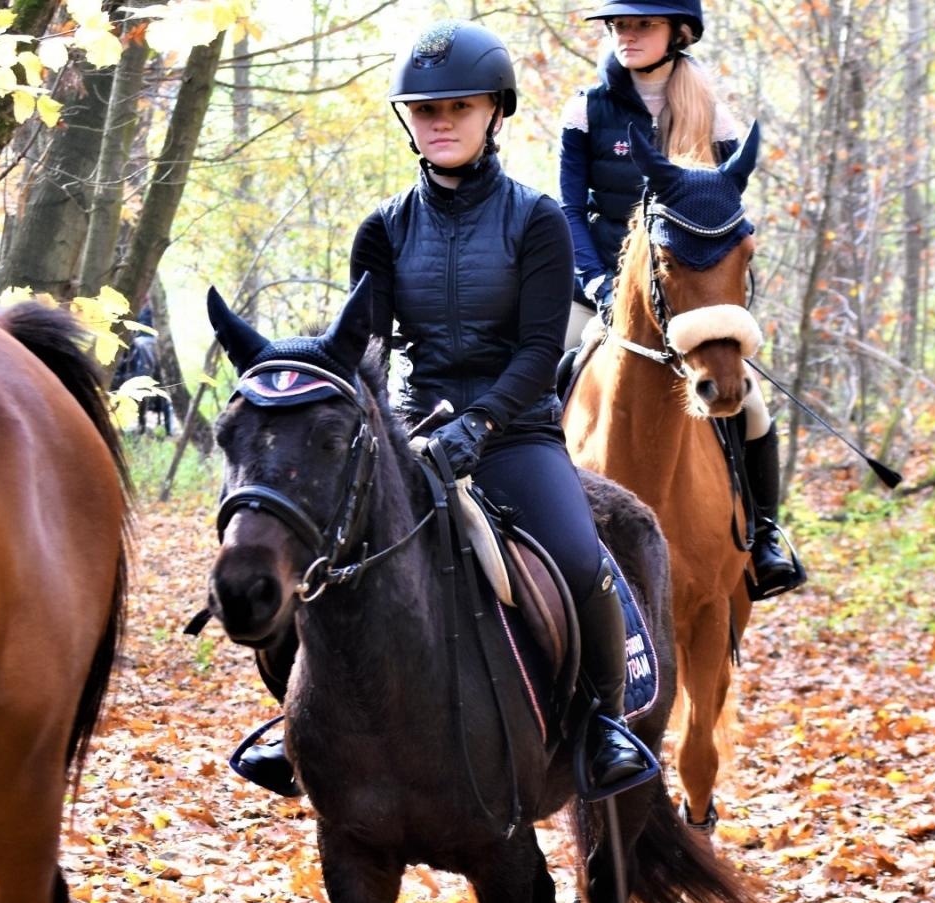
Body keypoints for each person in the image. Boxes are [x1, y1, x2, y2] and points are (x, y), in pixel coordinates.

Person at [230, 19, 652, 799]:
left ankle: (601, 726)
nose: (443, 121)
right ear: (409, 121)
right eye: (426, 110)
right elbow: (364, 347)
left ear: (495, 110)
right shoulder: (383, 230)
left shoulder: (537, 221)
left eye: (460, 106)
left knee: (581, 556)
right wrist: (383, 425)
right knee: (309, 550)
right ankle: (296, 726)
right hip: (412, 431)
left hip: (516, 434)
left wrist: (482, 422)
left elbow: (536, 352)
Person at [558, 0, 805, 600]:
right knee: (543, 380)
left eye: (643, 23)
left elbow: (722, 218)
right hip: (599, 291)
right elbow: (568, 209)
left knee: (751, 406)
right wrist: (598, 286)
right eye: (619, 24)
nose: (627, 35)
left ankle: (765, 534)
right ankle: (522, 523)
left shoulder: (712, 115)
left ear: (678, 32)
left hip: (690, 296)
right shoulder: (586, 108)